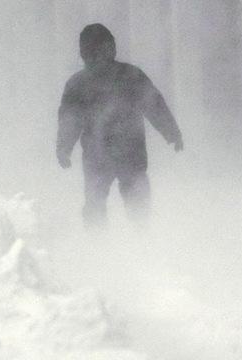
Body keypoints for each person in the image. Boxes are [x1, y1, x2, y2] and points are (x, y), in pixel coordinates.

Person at [56, 23, 183, 227]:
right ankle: (126, 244)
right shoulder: (127, 75)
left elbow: (154, 105)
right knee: (120, 205)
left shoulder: (85, 82)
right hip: (117, 154)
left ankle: (111, 246)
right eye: (102, 48)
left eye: (108, 47)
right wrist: (172, 133)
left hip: (115, 154)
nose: (106, 53)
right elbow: (70, 120)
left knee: (107, 205)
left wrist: (172, 133)